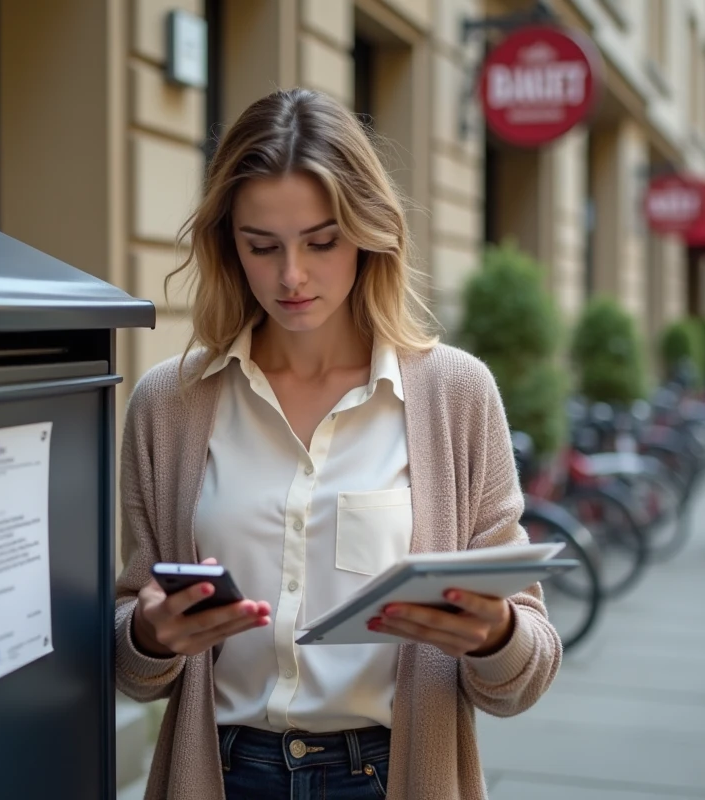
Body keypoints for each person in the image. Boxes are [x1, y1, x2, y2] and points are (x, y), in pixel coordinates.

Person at [112, 88, 561, 800]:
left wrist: (496, 632)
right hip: (221, 773)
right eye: (263, 246)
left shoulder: (455, 393)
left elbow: (526, 673)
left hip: (389, 775)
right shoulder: (169, 404)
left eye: (321, 242)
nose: (292, 275)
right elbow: (131, 668)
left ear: (368, 232)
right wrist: (149, 636)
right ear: (230, 243)